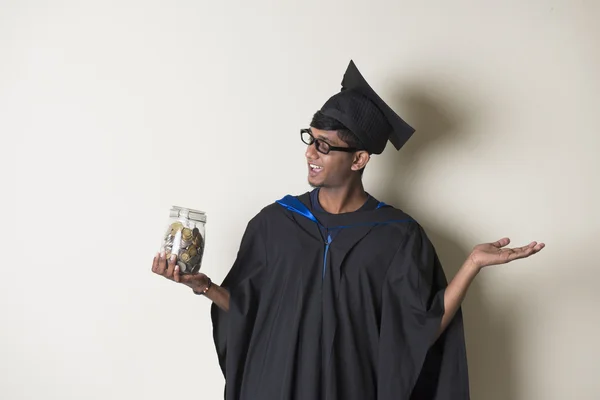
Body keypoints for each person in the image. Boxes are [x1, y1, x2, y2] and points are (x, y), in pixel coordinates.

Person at [151, 60, 545, 400]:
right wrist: (203, 286)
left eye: (324, 146)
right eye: (310, 139)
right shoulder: (275, 223)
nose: (310, 153)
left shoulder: (397, 237)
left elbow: (417, 330)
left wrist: (471, 265)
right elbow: (249, 314)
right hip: (275, 387)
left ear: (358, 159)